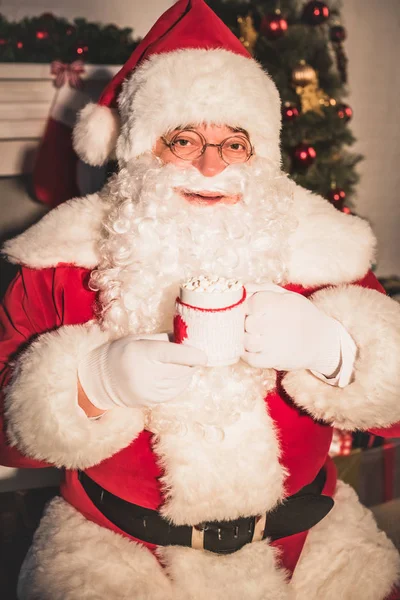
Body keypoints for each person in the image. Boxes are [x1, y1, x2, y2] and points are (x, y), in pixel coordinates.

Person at [1, 1, 400, 598]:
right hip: (117, 551)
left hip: (312, 548)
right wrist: (93, 385)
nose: (212, 164)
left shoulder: (327, 249)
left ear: (259, 153)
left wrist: (336, 350)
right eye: (183, 139)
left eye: (234, 143)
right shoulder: (62, 259)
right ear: (138, 150)